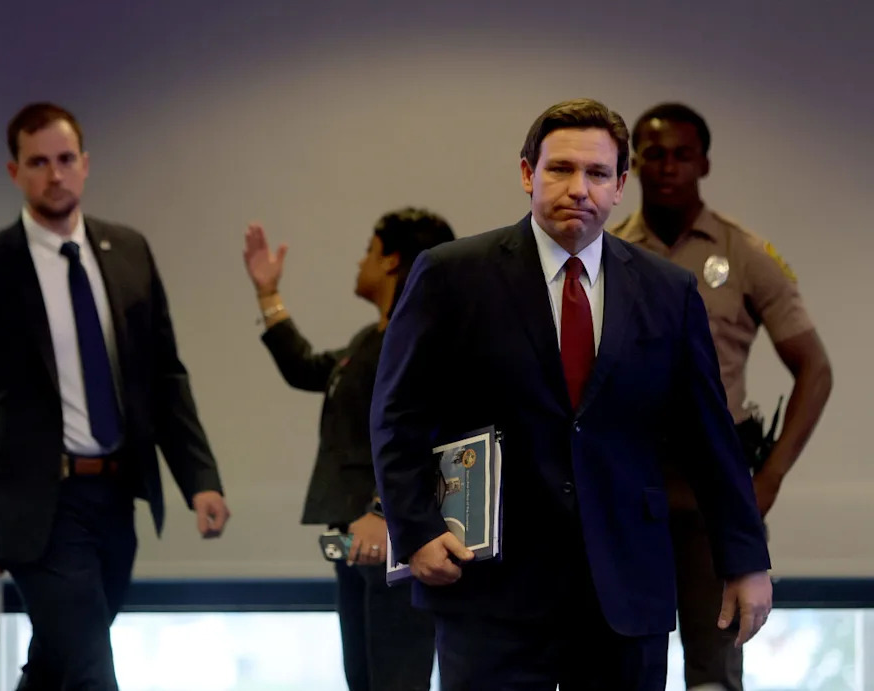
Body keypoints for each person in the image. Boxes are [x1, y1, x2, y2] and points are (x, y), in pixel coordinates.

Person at [369, 98, 773, 690]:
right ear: (529, 173)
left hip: (625, 588)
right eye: (560, 169)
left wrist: (745, 559)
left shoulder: (668, 291)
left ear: (619, 186)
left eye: (597, 173)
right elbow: (396, 414)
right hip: (491, 591)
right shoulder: (453, 275)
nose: (578, 188)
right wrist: (415, 529)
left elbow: (709, 434)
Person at [0, 102, 231, 690]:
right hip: (35, 506)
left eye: (66, 159)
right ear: (14, 172)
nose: (55, 174)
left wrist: (200, 478)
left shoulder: (129, 253)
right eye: (38, 162)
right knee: (93, 671)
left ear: (86, 165)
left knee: (59, 661)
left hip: (115, 495)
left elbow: (165, 376)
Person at [613, 102, 833, 690]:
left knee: (712, 667)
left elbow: (815, 368)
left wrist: (772, 477)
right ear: (633, 164)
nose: (668, 167)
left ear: (703, 163)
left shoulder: (742, 252)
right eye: (654, 154)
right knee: (624, 659)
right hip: (627, 479)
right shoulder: (607, 251)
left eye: (682, 154)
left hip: (713, 480)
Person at [242, 208, 454, 691]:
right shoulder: (372, 340)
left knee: (396, 677)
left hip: (392, 538)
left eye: (368, 251)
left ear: (391, 260)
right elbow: (309, 369)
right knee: (364, 677)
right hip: (358, 540)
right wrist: (268, 295)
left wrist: (383, 509)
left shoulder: (420, 339)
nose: (360, 262)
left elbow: (424, 433)